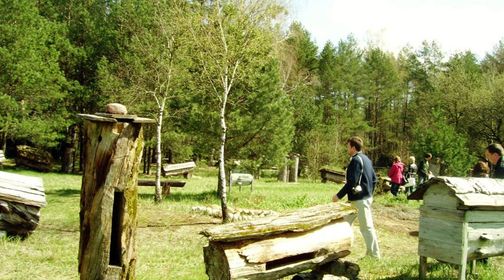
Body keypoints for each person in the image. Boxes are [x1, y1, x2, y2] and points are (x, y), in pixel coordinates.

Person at [332, 136, 381, 259]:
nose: (347, 148)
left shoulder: (355, 160)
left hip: (359, 200)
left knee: (366, 227)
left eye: (348, 146)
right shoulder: (366, 159)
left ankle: (374, 256)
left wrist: (338, 196)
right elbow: (374, 179)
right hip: (358, 199)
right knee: (343, 223)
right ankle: (337, 249)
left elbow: (351, 182)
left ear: (353, 147)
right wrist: (369, 193)